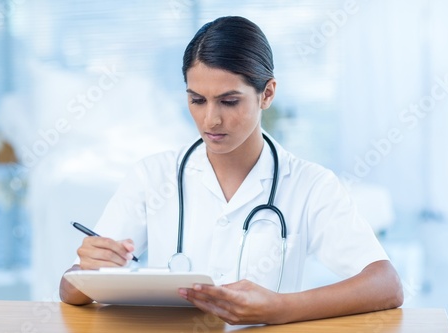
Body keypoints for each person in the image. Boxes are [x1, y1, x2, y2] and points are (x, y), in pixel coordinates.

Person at [59, 16, 403, 325]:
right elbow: (70, 289)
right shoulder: (153, 176)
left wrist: (281, 308)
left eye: (229, 101)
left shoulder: (310, 185)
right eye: (197, 100)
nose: (211, 120)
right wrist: (86, 268)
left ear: (267, 94)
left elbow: (386, 285)